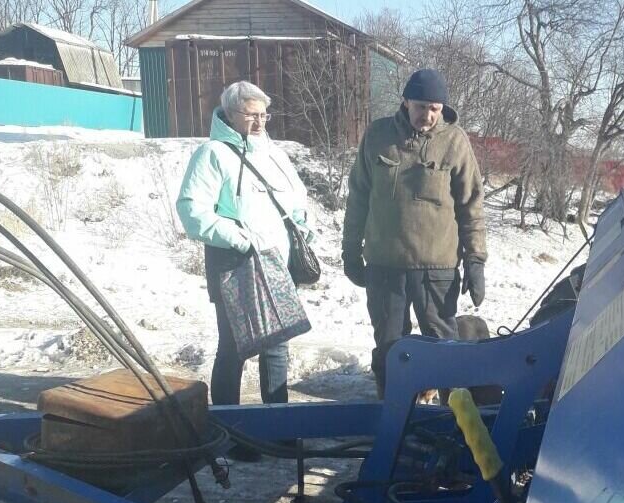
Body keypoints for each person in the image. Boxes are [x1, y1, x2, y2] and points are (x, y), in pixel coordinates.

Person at [176, 81, 311, 459]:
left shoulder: (273, 153)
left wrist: (303, 225)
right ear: (230, 113)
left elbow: (296, 198)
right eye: (251, 114)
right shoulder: (212, 154)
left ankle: (277, 428)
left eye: (263, 114)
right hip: (235, 264)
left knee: (277, 346)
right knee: (234, 348)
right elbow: (191, 210)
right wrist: (238, 237)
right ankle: (230, 433)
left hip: (276, 264)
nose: (259, 121)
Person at [341, 69, 487, 398]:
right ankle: (392, 423)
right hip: (384, 267)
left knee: (444, 349)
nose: (428, 115)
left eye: (435, 108)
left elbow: (471, 206)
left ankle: (454, 423)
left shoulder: (454, 141)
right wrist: (350, 250)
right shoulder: (378, 135)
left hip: (436, 270)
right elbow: (358, 198)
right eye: (421, 106)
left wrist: (475, 260)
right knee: (390, 348)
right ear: (406, 102)